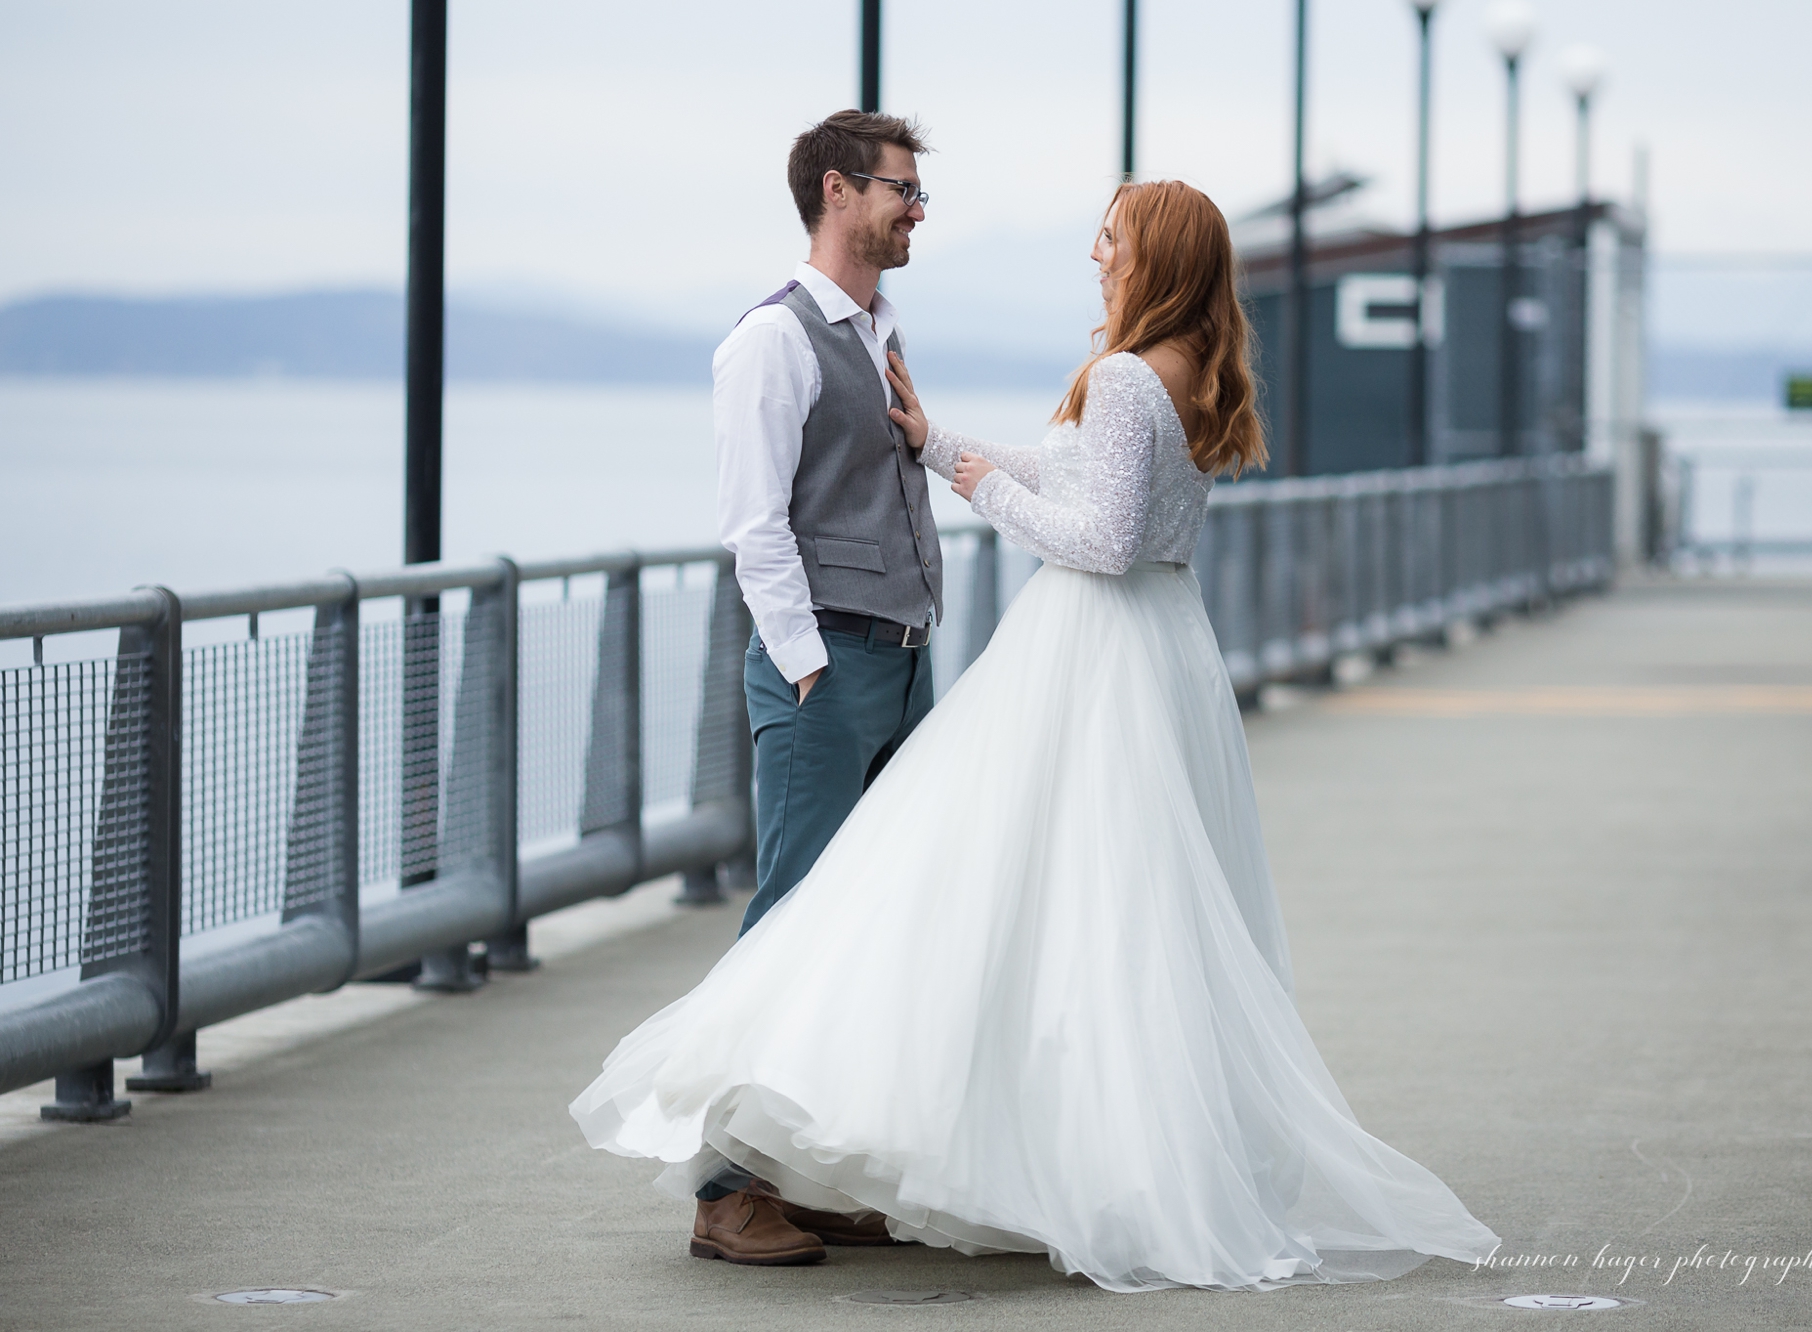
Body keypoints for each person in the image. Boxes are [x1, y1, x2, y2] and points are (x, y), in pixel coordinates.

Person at [572, 178, 1502, 1292]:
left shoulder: (1118, 375)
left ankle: (795, 1160)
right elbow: (1081, 481)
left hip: (1092, 648)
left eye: (1108, 239)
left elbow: (1096, 538)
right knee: (1126, 918)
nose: (1095, 256)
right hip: (1165, 647)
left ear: (1148, 255)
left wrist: (967, 482)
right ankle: (1105, 1164)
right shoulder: (1195, 373)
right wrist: (937, 443)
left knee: (1013, 901)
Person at [682, 109, 942, 1260]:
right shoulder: (772, 340)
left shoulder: (878, 331)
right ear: (837, 192)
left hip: (897, 662)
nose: (915, 210)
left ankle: (808, 1168)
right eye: (901, 190)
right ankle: (725, 1188)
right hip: (824, 672)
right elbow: (752, 526)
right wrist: (805, 666)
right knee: (788, 922)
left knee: (872, 928)